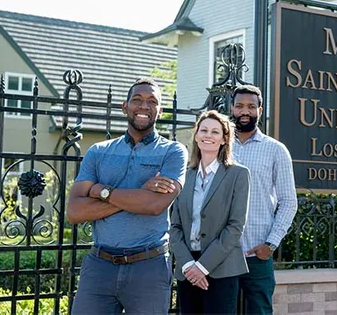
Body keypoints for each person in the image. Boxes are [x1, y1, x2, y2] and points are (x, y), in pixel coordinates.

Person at [66, 78, 188, 315]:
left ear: (160, 111)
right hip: (99, 266)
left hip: (148, 267)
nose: (144, 106)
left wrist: (101, 191)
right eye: (137, 100)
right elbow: (75, 211)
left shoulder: (173, 152)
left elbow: (155, 205)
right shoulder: (99, 152)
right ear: (125, 107)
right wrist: (139, 195)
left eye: (152, 101)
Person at [169, 110, 250, 314]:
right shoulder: (185, 176)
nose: (208, 135)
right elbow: (175, 227)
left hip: (221, 268)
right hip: (187, 268)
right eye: (203, 130)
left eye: (215, 132)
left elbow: (235, 226)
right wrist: (188, 264)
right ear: (196, 136)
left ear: (224, 139)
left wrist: (202, 267)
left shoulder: (238, 174)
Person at [230, 85, 298, 314]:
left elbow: (288, 201)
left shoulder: (276, 150)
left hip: (256, 254)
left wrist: (271, 244)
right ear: (232, 108)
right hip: (220, 253)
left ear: (260, 110)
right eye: (239, 106)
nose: (244, 111)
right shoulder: (218, 146)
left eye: (251, 106)